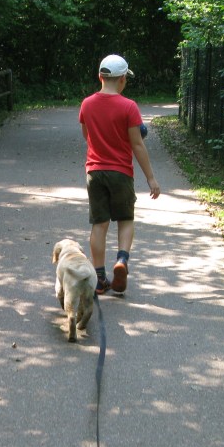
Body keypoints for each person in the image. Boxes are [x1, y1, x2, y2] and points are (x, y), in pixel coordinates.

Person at [78, 54, 160, 296]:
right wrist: (151, 178)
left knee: (99, 224)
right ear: (123, 79)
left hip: (95, 172)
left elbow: (87, 135)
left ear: (100, 77)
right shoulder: (129, 106)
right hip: (121, 172)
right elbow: (137, 144)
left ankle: (99, 278)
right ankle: (122, 260)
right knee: (125, 219)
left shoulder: (87, 104)